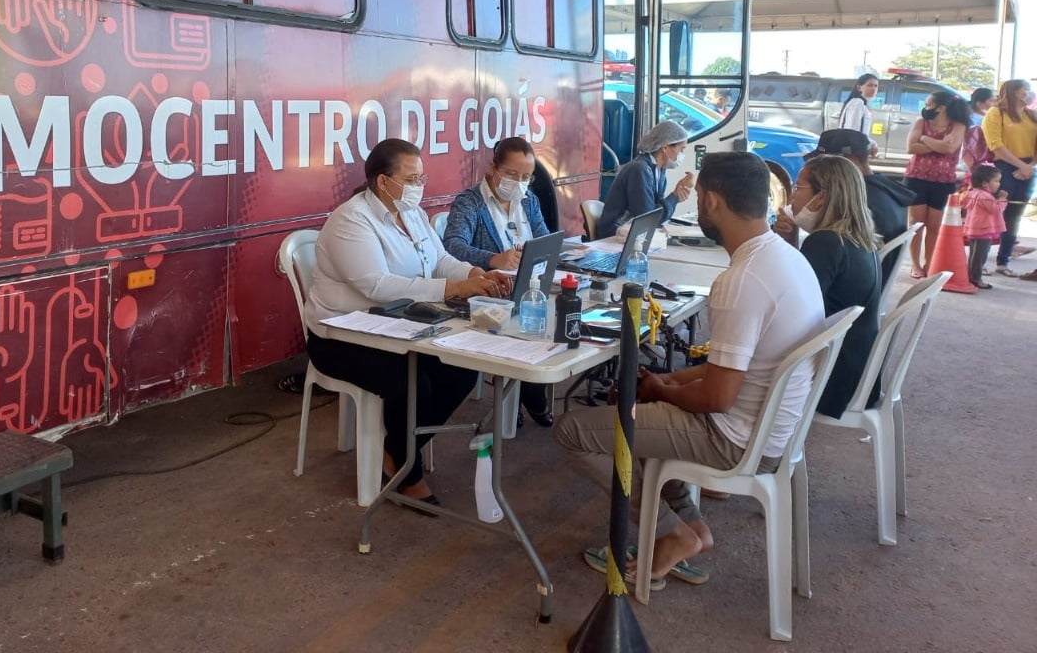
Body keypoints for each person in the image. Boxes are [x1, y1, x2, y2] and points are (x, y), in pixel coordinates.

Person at [556, 152, 824, 587]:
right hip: (772, 428)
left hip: (735, 439)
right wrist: (659, 384)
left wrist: (661, 391)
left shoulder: (742, 280)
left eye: (698, 198)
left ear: (712, 201)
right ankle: (691, 528)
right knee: (634, 406)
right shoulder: (787, 258)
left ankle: (672, 534)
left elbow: (717, 397)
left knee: (573, 429)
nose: (697, 207)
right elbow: (730, 369)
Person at [304, 138, 510, 504]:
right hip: (341, 335)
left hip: (399, 327)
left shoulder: (411, 213)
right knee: (412, 382)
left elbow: (441, 258)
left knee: (461, 367)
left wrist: (476, 271)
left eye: (422, 178)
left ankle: (397, 452)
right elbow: (377, 285)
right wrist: (454, 288)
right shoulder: (350, 219)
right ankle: (406, 470)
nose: (419, 186)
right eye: (412, 178)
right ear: (383, 181)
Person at [443, 136, 555, 427]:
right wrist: (493, 259)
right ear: (493, 167)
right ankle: (528, 394)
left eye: (526, 177)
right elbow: (452, 246)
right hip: (491, 292)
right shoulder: (470, 202)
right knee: (527, 325)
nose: (518, 183)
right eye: (511, 174)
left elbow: (544, 239)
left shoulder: (528, 201)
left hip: (531, 285)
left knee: (553, 318)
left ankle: (526, 392)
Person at [772, 155, 881, 419]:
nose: (792, 198)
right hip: (857, 370)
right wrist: (791, 242)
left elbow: (792, 309)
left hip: (831, 377)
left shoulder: (826, 243)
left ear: (821, 197)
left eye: (798, 188)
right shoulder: (857, 239)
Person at [803, 128, 915, 286]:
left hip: (851, 290)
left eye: (826, 164)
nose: (818, 173)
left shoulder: (859, 200)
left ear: (850, 161)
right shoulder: (887, 189)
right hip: (873, 284)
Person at [903, 90, 969, 278]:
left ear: (941, 108)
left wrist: (924, 139)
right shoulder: (920, 122)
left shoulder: (958, 125)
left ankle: (930, 263)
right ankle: (915, 265)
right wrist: (936, 143)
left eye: (928, 104)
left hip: (943, 181)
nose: (925, 108)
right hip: (916, 177)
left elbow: (950, 148)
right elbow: (910, 147)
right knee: (916, 223)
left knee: (934, 225)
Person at [596, 120, 695, 239]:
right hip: (615, 235)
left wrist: (676, 195)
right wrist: (674, 197)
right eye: (681, 149)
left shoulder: (660, 170)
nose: (682, 155)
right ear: (665, 146)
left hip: (633, 234)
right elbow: (646, 218)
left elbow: (655, 214)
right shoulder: (640, 169)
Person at [981, 79, 1037, 278]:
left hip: (1028, 169)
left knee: (1014, 216)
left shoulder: (1031, 115)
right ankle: (979, 262)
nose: (1030, 93)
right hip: (1003, 167)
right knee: (993, 214)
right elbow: (995, 144)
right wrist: (1020, 165)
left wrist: (1029, 166)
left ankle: (1003, 262)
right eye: (1026, 89)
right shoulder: (996, 113)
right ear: (1014, 92)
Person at [961, 164, 1008, 289]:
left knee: (974, 255)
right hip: (983, 231)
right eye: (996, 181)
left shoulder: (972, 193)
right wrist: (1003, 200)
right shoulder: (985, 196)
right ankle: (976, 279)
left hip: (974, 229)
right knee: (980, 257)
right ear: (985, 184)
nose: (999, 184)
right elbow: (996, 210)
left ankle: (971, 277)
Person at [838, 74, 880, 157]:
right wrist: (872, 144)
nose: (873, 89)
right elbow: (853, 130)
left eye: (876, 86)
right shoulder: (857, 103)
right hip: (853, 151)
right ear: (859, 87)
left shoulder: (862, 104)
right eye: (869, 85)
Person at [961, 87, 997, 174]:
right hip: (980, 160)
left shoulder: (967, 117)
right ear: (980, 104)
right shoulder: (982, 120)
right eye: (992, 100)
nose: (996, 103)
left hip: (968, 160)